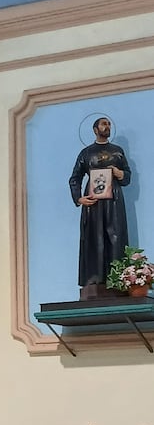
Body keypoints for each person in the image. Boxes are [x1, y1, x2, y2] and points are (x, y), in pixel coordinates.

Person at [69, 116, 131, 297]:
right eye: (104, 124)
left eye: (109, 124)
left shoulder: (118, 152)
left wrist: (120, 173)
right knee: (94, 238)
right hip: (94, 203)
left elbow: (127, 177)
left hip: (114, 201)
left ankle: (117, 280)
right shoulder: (86, 153)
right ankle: (93, 281)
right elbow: (75, 178)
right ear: (95, 129)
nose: (107, 126)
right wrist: (79, 199)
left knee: (115, 236)